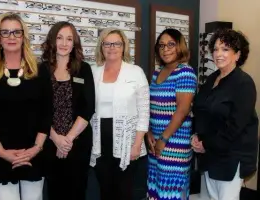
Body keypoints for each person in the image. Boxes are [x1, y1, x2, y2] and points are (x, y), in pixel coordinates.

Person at [0, 13, 52, 200]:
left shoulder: (39, 71)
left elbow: (47, 113)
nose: (11, 37)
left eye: (16, 32)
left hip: (33, 152)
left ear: (23, 37)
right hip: (0, 154)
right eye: (5, 32)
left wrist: (35, 149)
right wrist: (2, 152)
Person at [192, 29, 258, 200]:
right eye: (215, 49)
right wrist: (197, 137)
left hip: (230, 158)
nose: (218, 54)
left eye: (225, 49)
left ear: (237, 54)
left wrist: (205, 143)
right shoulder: (211, 79)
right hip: (209, 156)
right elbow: (201, 111)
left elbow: (235, 126)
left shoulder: (244, 83)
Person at [90, 28, 150, 200]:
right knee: (105, 190)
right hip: (99, 143)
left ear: (124, 46)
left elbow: (144, 111)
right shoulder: (93, 72)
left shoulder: (135, 72)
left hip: (127, 142)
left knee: (124, 191)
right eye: (107, 43)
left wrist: (137, 144)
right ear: (101, 47)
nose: (112, 47)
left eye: (117, 43)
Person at [41, 21, 95, 200]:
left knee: (77, 191)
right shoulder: (41, 70)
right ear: (52, 41)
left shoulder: (83, 69)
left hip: (78, 143)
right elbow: (37, 109)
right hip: (49, 142)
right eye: (59, 38)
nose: (64, 43)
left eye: (69, 39)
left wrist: (68, 140)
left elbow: (88, 107)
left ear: (74, 43)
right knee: (55, 192)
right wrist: (56, 139)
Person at [147, 29, 197, 200]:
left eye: (170, 44)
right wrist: (150, 133)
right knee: (157, 189)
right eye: (161, 45)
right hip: (156, 144)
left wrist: (163, 139)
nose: (165, 49)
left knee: (172, 193)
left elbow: (182, 111)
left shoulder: (185, 72)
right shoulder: (156, 73)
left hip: (174, 143)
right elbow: (150, 106)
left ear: (179, 46)